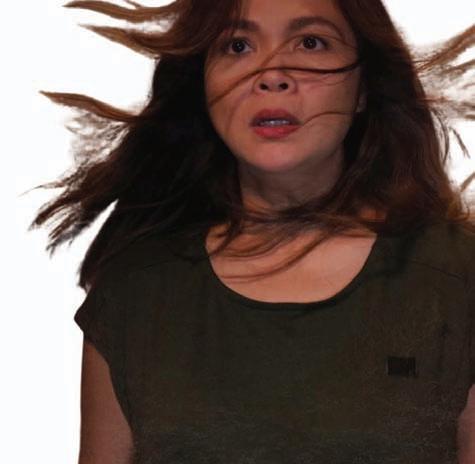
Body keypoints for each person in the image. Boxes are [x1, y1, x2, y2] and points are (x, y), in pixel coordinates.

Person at [29, 0, 475, 462]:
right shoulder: (135, 292)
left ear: (364, 86)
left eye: (311, 42)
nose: (272, 73)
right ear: (204, 84)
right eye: (238, 46)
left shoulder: (458, 279)